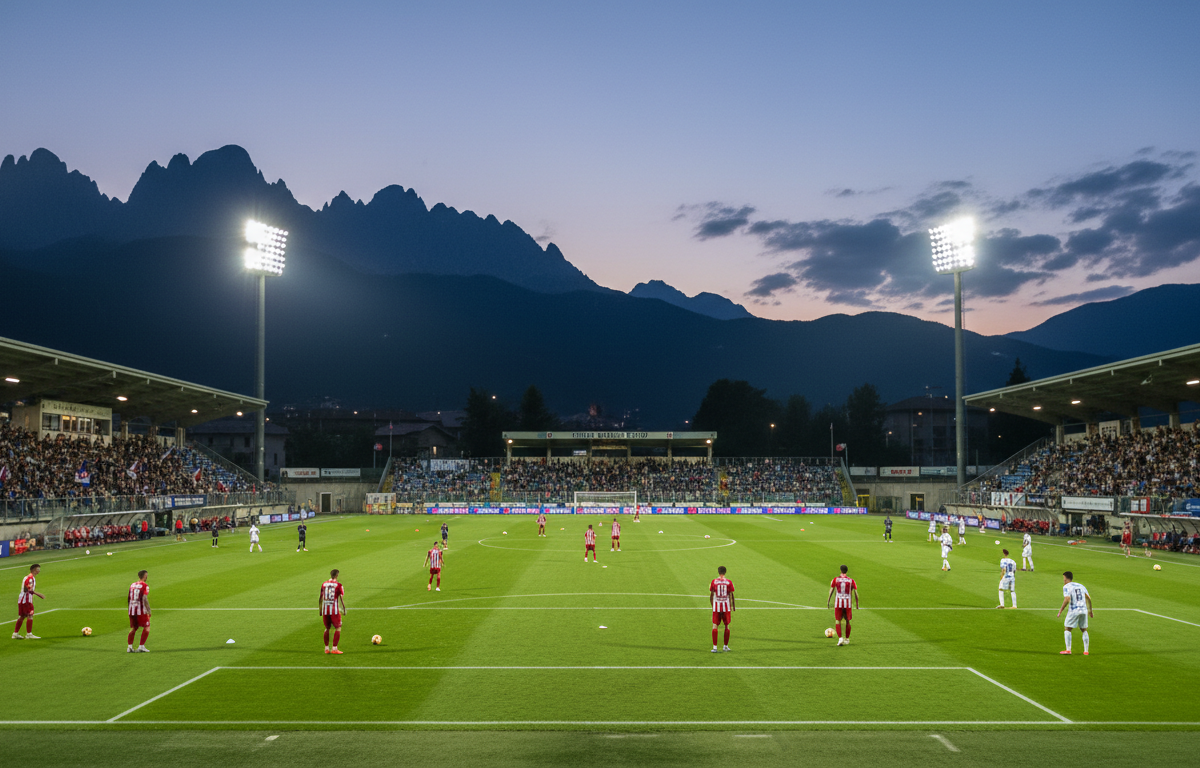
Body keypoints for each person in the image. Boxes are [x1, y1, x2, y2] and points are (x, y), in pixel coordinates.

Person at [1056, 571, 1093, 655]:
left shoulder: (1066, 587)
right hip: (1084, 610)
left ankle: (1068, 650)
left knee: (1067, 628)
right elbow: (1088, 598)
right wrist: (1090, 611)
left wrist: (1061, 610)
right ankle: (1086, 651)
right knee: (1084, 630)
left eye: (1064, 579)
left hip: (1074, 610)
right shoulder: (1081, 586)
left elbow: (1067, 599)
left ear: (1065, 579)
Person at [826, 564, 858, 646]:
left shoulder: (836, 579)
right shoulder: (851, 581)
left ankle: (840, 638)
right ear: (846, 571)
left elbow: (831, 590)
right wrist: (857, 604)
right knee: (847, 621)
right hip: (848, 603)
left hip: (838, 603)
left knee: (838, 621)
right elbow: (856, 593)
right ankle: (847, 639)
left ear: (840, 570)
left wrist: (828, 601)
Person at [13, 564, 43, 640]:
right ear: (34, 570)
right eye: (38, 569)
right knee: (30, 615)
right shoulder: (30, 578)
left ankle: (15, 634)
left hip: (22, 599)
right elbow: (27, 589)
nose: (39, 571)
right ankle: (29, 634)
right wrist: (38, 594)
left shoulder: (28, 577)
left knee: (22, 616)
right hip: (26, 600)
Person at [319, 569, 346, 654]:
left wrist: (320, 610)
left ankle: (326, 648)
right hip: (334, 610)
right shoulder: (339, 585)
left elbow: (321, 598)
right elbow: (341, 598)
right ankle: (334, 648)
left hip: (325, 610)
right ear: (337, 575)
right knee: (338, 628)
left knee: (327, 628)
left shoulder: (324, 584)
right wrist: (344, 610)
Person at [710, 565, 735, 652]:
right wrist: (730, 606)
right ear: (725, 572)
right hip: (726, 606)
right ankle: (725, 646)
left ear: (718, 572)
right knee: (727, 626)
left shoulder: (714, 581)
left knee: (715, 625)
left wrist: (712, 605)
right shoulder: (729, 582)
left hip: (716, 606)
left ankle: (715, 647)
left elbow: (711, 594)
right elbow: (731, 595)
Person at [127, 569, 151, 653]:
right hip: (141, 610)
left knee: (133, 628)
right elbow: (144, 598)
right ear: (145, 576)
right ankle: (141, 646)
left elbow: (129, 598)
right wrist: (148, 610)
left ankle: (129, 647)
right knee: (147, 627)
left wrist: (129, 609)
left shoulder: (132, 585)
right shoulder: (145, 585)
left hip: (131, 609)